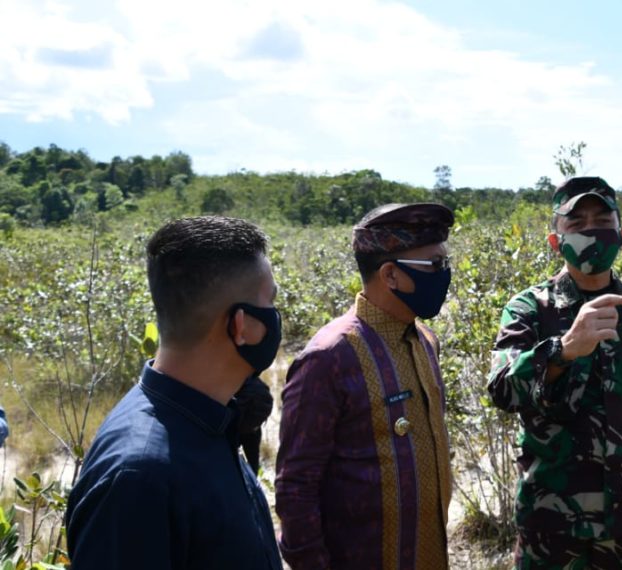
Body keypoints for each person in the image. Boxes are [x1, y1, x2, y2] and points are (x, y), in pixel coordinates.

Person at [488, 176, 622, 569]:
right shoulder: (530, 308)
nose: (591, 231)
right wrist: (563, 350)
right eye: (576, 222)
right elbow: (502, 390)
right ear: (555, 241)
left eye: (602, 221)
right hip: (551, 516)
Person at [64, 216, 283, 569]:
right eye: (270, 301)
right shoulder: (139, 478)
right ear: (241, 325)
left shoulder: (209, 416)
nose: (276, 315)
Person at [276, 203, 454, 570]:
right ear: (390, 275)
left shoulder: (424, 340)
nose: (445, 275)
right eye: (435, 265)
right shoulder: (329, 359)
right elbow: (296, 488)